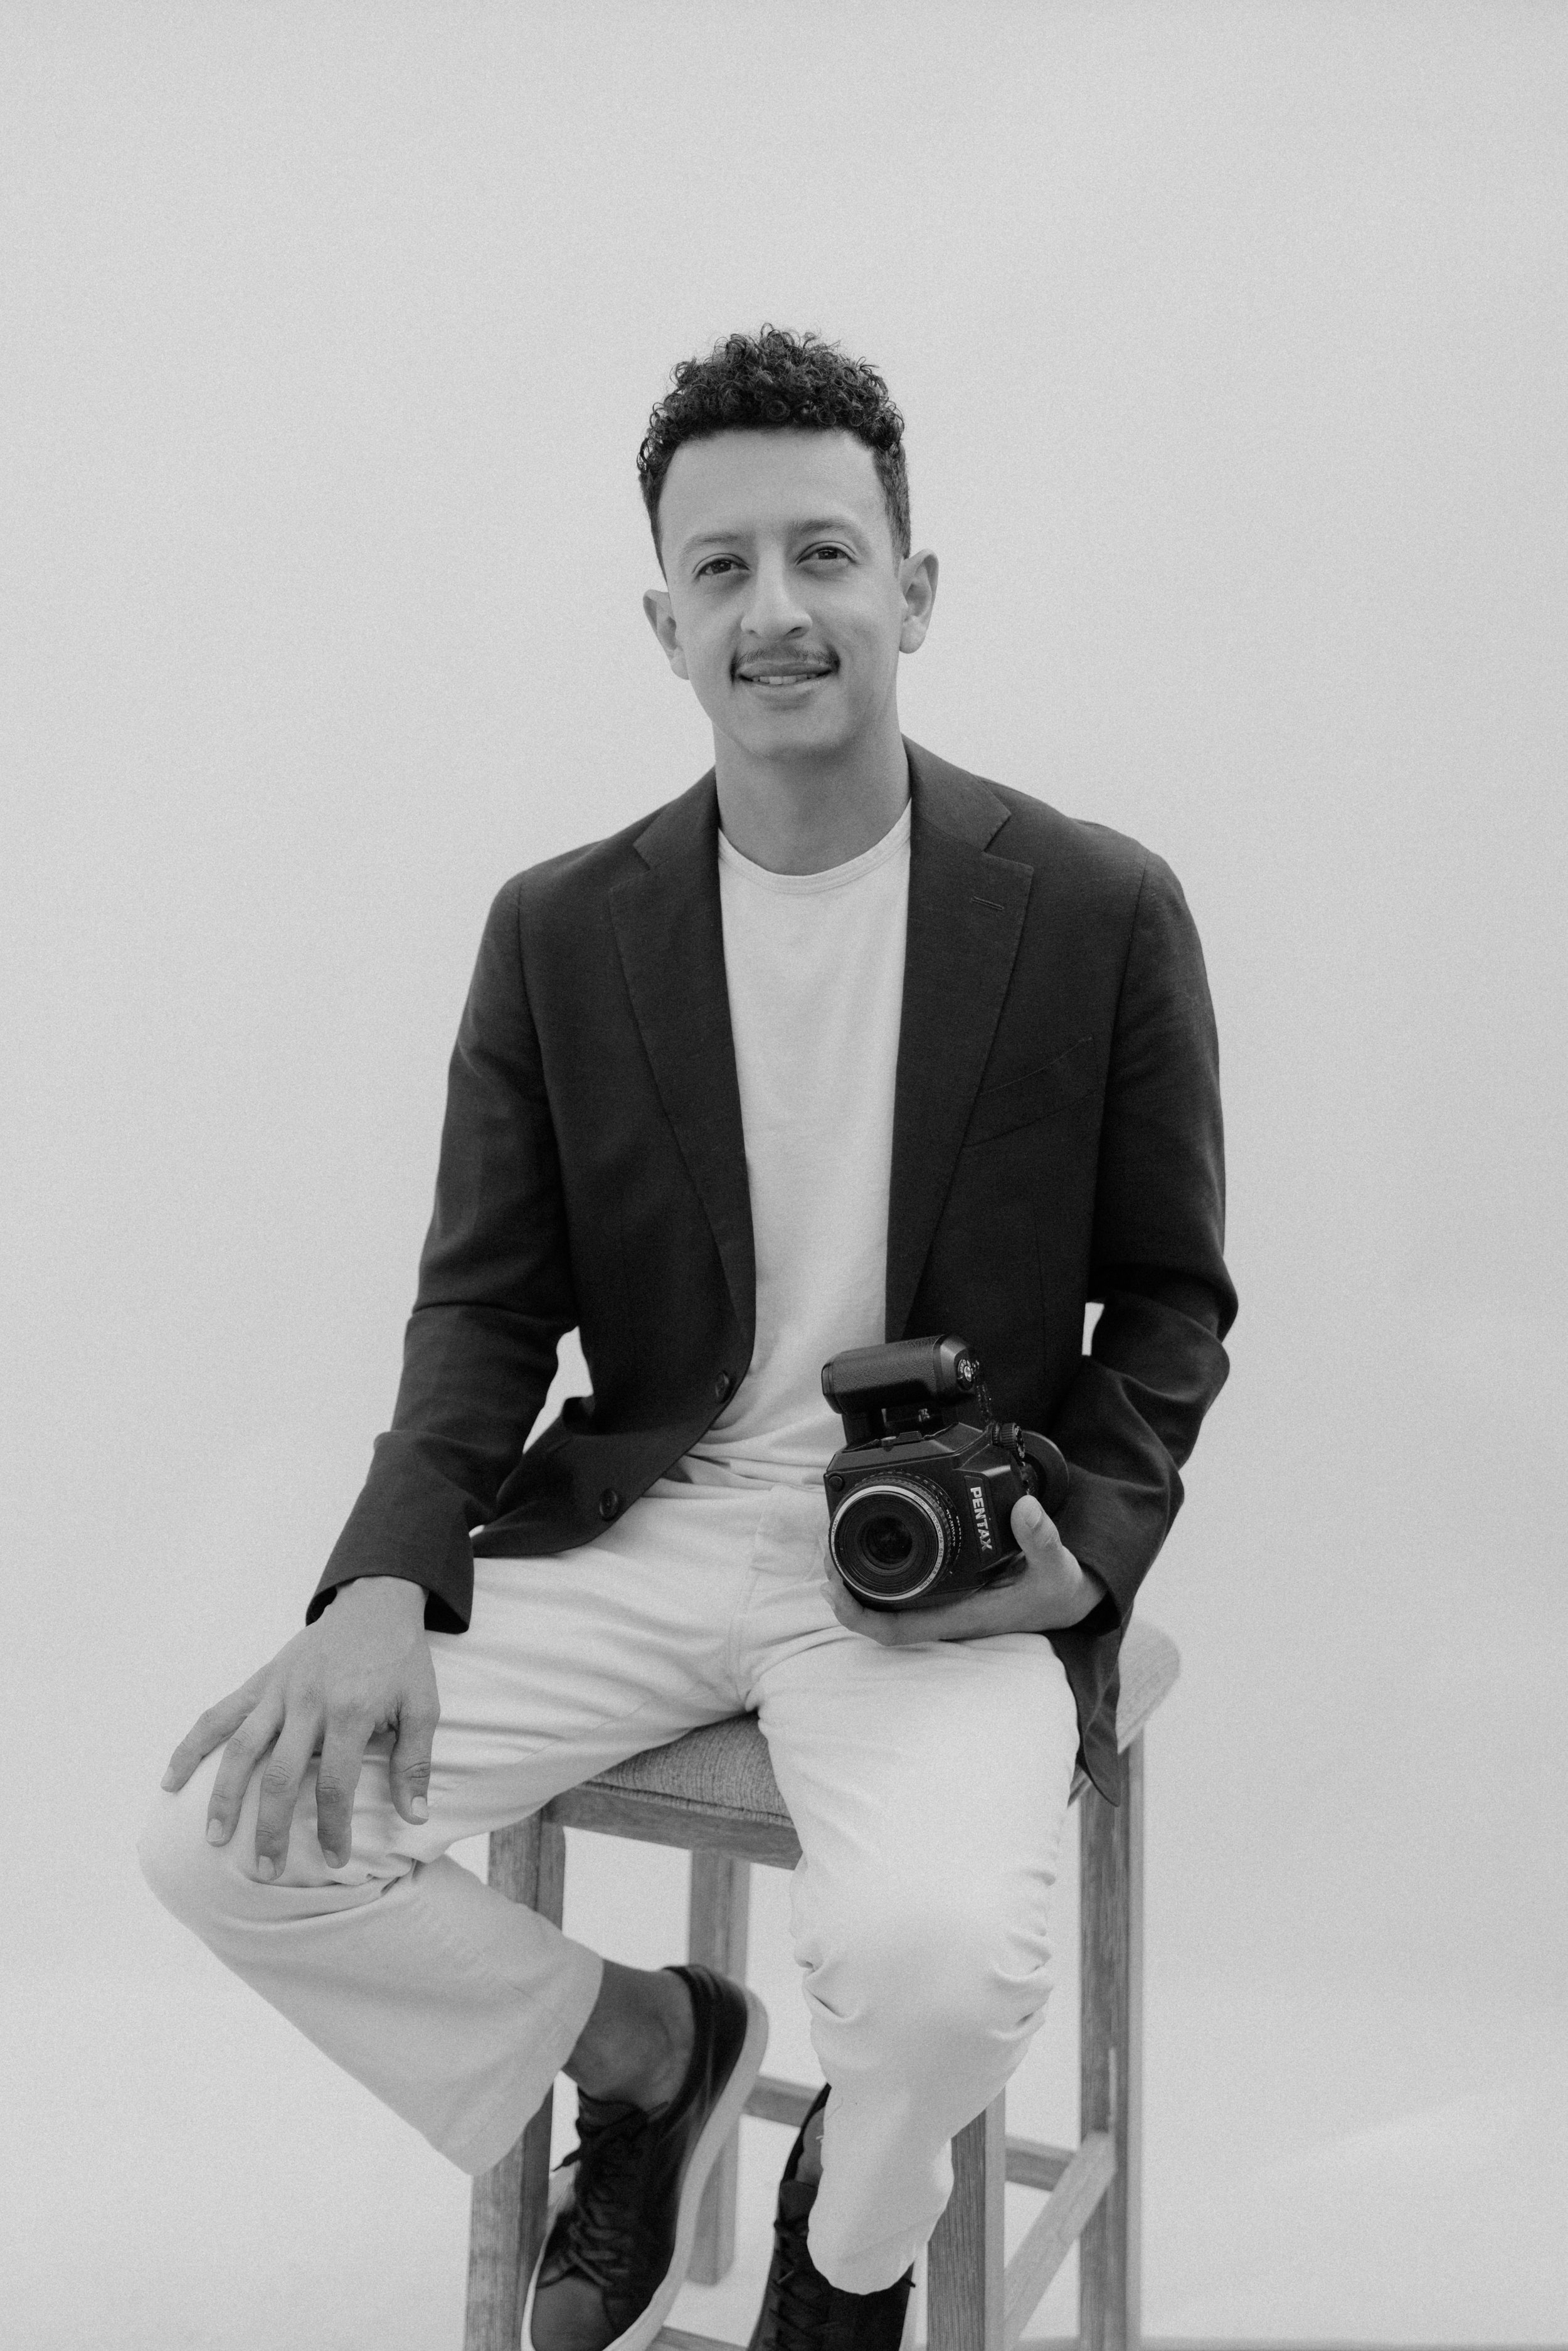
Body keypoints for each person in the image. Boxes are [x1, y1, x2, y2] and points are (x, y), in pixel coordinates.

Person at [140, 326, 1236, 2351]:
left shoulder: (1094, 906)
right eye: (719, 568)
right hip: (641, 1523)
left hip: (935, 1565)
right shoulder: (560, 929)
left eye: (823, 554)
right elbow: (486, 1301)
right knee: (225, 1838)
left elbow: (1171, 1296)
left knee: (935, 1975)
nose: (774, 610)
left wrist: (1077, 1548)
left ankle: (848, 2247)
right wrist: (380, 1575)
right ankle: (649, 2050)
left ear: (913, 589)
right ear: (664, 622)